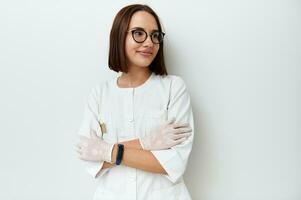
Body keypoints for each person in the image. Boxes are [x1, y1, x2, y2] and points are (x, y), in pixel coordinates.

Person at [75, 4, 195, 200]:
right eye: (139, 33)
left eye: (155, 35)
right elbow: (89, 157)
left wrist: (106, 151)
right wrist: (146, 143)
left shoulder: (174, 88)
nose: (149, 42)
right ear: (119, 35)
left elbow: (173, 163)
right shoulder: (100, 94)